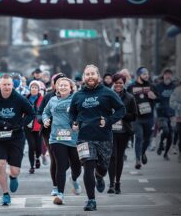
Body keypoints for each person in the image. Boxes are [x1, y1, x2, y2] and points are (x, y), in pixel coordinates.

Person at [69, 64, 125, 211]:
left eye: (93, 74)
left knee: (102, 168)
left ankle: (99, 176)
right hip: (84, 137)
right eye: (87, 74)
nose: (90, 77)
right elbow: (72, 113)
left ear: (98, 76)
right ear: (83, 77)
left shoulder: (107, 93)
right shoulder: (78, 95)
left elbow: (121, 109)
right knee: (88, 166)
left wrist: (108, 121)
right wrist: (73, 122)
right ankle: (91, 200)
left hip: (104, 137)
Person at [0, 74, 34, 206]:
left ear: (13, 85)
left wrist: (21, 123)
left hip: (16, 137)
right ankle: (5, 194)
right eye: (4, 84)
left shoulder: (19, 99)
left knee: (14, 170)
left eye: (9, 84)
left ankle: (13, 177)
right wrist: (2, 124)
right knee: (0, 165)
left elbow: (31, 113)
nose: (6, 87)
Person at [43, 77, 82, 205]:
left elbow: (82, 113)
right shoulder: (52, 100)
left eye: (66, 85)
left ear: (71, 88)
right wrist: (46, 120)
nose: (63, 87)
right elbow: (45, 112)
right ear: (57, 88)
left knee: (77, 166)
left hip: (74, 138)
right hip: (56, 138)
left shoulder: (76, 99)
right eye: (60, 85)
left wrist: (78, 123)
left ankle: (74, 179)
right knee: (61, 165)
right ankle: (60, 194)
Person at [36, 73, 66, 196]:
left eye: (63, 83)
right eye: (58, 83)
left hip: (66, 132)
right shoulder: (48, 97)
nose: (61, 86)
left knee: (65, 161)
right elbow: (39, 113)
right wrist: (44, 120)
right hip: (49, 133)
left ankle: (66, 178)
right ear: (54, 84)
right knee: (55, 159)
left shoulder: (73, 97)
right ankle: (55, 186)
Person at [107, 73, 137, 194]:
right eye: (116, 83)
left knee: (119, 157)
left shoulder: (129, 98)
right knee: (112, 157)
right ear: (112, 83)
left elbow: (134, 116)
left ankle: (118, 182)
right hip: (110, 131)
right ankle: (111, 184)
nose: (118, 85)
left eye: (120, 83)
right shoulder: (107, 96)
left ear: (124, 84)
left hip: (124, 131)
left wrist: (121, 114)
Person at [127, 67, 158, 169]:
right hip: (137, 118)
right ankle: (137, 160)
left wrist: (154, 97)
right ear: (139, 75)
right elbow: (127, 100)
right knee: (139, 137)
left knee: (148, 139)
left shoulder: (152, 86)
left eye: (147, 74)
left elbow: (159, 99)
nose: (146, 76)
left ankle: (143, 152)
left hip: (149, 117)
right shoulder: (131, 87)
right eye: (144, 74)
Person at [154, 69, 176, 160]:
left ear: (171, 76)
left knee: (171, 135)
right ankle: (161, 143)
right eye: (166, 74)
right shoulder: (158, 86)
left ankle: (166, 153)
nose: (168, 76)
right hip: (161, 113)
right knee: (166, 130)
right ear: (163, 76)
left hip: (172, 114)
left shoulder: (174, 87)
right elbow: (154, 98)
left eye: (169, 74)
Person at [24, 81, 44, 174]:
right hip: (28, 125)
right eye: (32, 87)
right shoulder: (25, 99)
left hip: (38, 125)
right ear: (30, 89)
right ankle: (32, 166)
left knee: (38, 147)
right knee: (31, 146)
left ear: (39, 89)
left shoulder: (42, 99)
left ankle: (37, 157)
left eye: (36, 87)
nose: (34, 89)